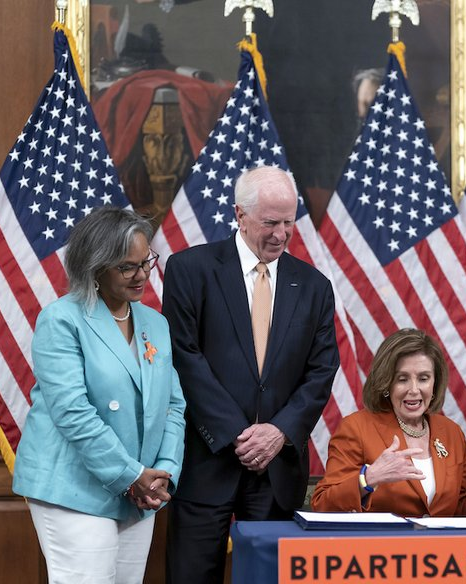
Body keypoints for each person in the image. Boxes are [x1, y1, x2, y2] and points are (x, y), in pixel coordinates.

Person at [161, 166, 339, 583]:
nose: (281, 234)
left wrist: (278, 431)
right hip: (207, 463)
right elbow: (184, 358)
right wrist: (238, 434)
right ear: (240, 215)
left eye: (289, 223)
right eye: (270, 223)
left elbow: (321, 371)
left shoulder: (314, 286)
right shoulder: (190, 270)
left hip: (277, 469)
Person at [12, 207, 187, 584]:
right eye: (127, 267)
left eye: (146, 262)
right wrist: (131, 475)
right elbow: (73, 413)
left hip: (140, 491)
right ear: (95, 268)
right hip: (75, 486)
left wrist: (164, 472)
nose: (142, 275)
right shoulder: (62, 320)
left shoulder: (155, 323)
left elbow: (173, 405)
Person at [312, 328, 466, 516]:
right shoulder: (356, 428)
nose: (414, 390)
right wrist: (369, 478)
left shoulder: (450, 433)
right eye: (402, 379)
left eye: (424, 378)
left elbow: (463, 510)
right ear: (385, 383)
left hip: (438, 565)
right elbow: (322, 504)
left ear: (435, 384)